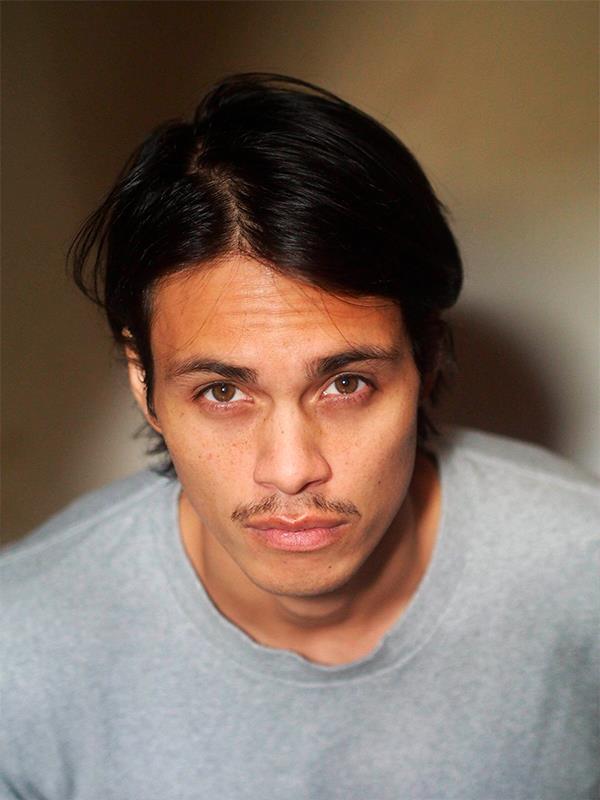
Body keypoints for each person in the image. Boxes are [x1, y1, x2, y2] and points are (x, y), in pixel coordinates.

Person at [1, 73, 598, 800]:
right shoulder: (20, 647)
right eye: (223, 392)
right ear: (143, 381)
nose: (290, 470)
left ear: (426, 359)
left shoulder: (581, 571)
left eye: (346, 384)